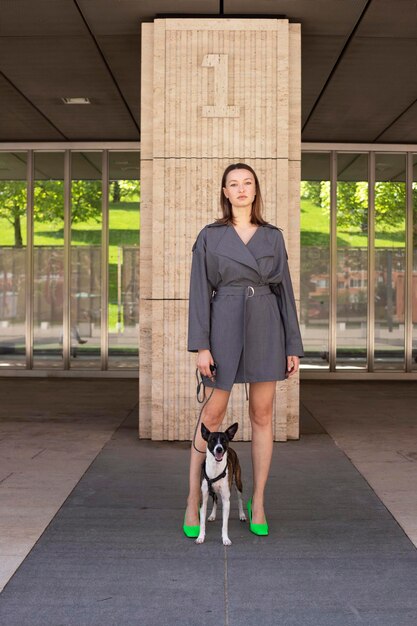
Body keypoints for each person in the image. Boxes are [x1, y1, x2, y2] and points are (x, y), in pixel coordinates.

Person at [184, 162, 304, 537]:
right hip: (224, 322)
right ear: (224, 192)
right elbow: (200, 293)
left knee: (263, 413)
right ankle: (193, 500)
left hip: (267, 322)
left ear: (255, 190)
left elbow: (285, 292)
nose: (240, 189)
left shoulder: (273, 237)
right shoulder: (210, 236)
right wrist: (202, 345)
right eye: (233, 184)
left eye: (247, 183)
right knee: (212, 415)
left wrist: (292, 344)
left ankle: (260, 501)